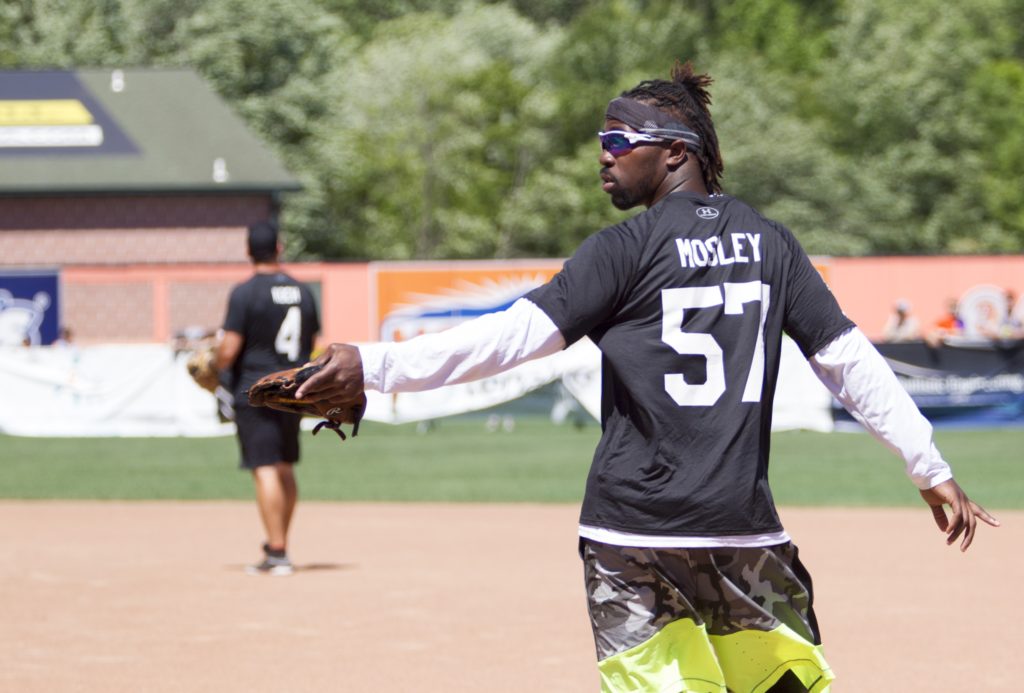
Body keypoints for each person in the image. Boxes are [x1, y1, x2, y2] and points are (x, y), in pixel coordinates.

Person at [294, 62, 998, 691]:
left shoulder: (623, 249)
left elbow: (509, 339)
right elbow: (850, 361)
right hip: (740, 531)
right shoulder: (774, 243)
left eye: (616, 143)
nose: (603, 160)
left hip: (631, 534)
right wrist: (925, 462)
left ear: (673, 152)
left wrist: (377, 363)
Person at [216, 220, 320, 576]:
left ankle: (276, 551)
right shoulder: (303, 291)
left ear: (248, 251)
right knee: (285, 466)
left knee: (264, 468)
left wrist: (215, 367)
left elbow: (228, 349)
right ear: (280, 248)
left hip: (256, 389)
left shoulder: (245, 293)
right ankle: (281, 544)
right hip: (293, 389)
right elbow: (313, 342)